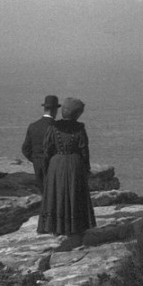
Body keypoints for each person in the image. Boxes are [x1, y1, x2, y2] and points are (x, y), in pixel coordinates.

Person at [37, 97, 96, 238]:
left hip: (56, 164)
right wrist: (86, 168)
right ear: (77, 114)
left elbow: (47, 149)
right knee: (75, 193)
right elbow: (84, 150)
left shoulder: (53, 127)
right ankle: (76, 227)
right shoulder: (80, 129)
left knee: (56, 194)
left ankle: (56, 227)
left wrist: (48, 167)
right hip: (75, 164)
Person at [22, 95, 60, 196]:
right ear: (55, 110)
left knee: (43, 191)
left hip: (38, 162)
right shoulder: (57, 127)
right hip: (53, 164)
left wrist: (35, 159)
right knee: (54, 192)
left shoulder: (33, 126)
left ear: (45, 108)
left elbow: (25, 149)